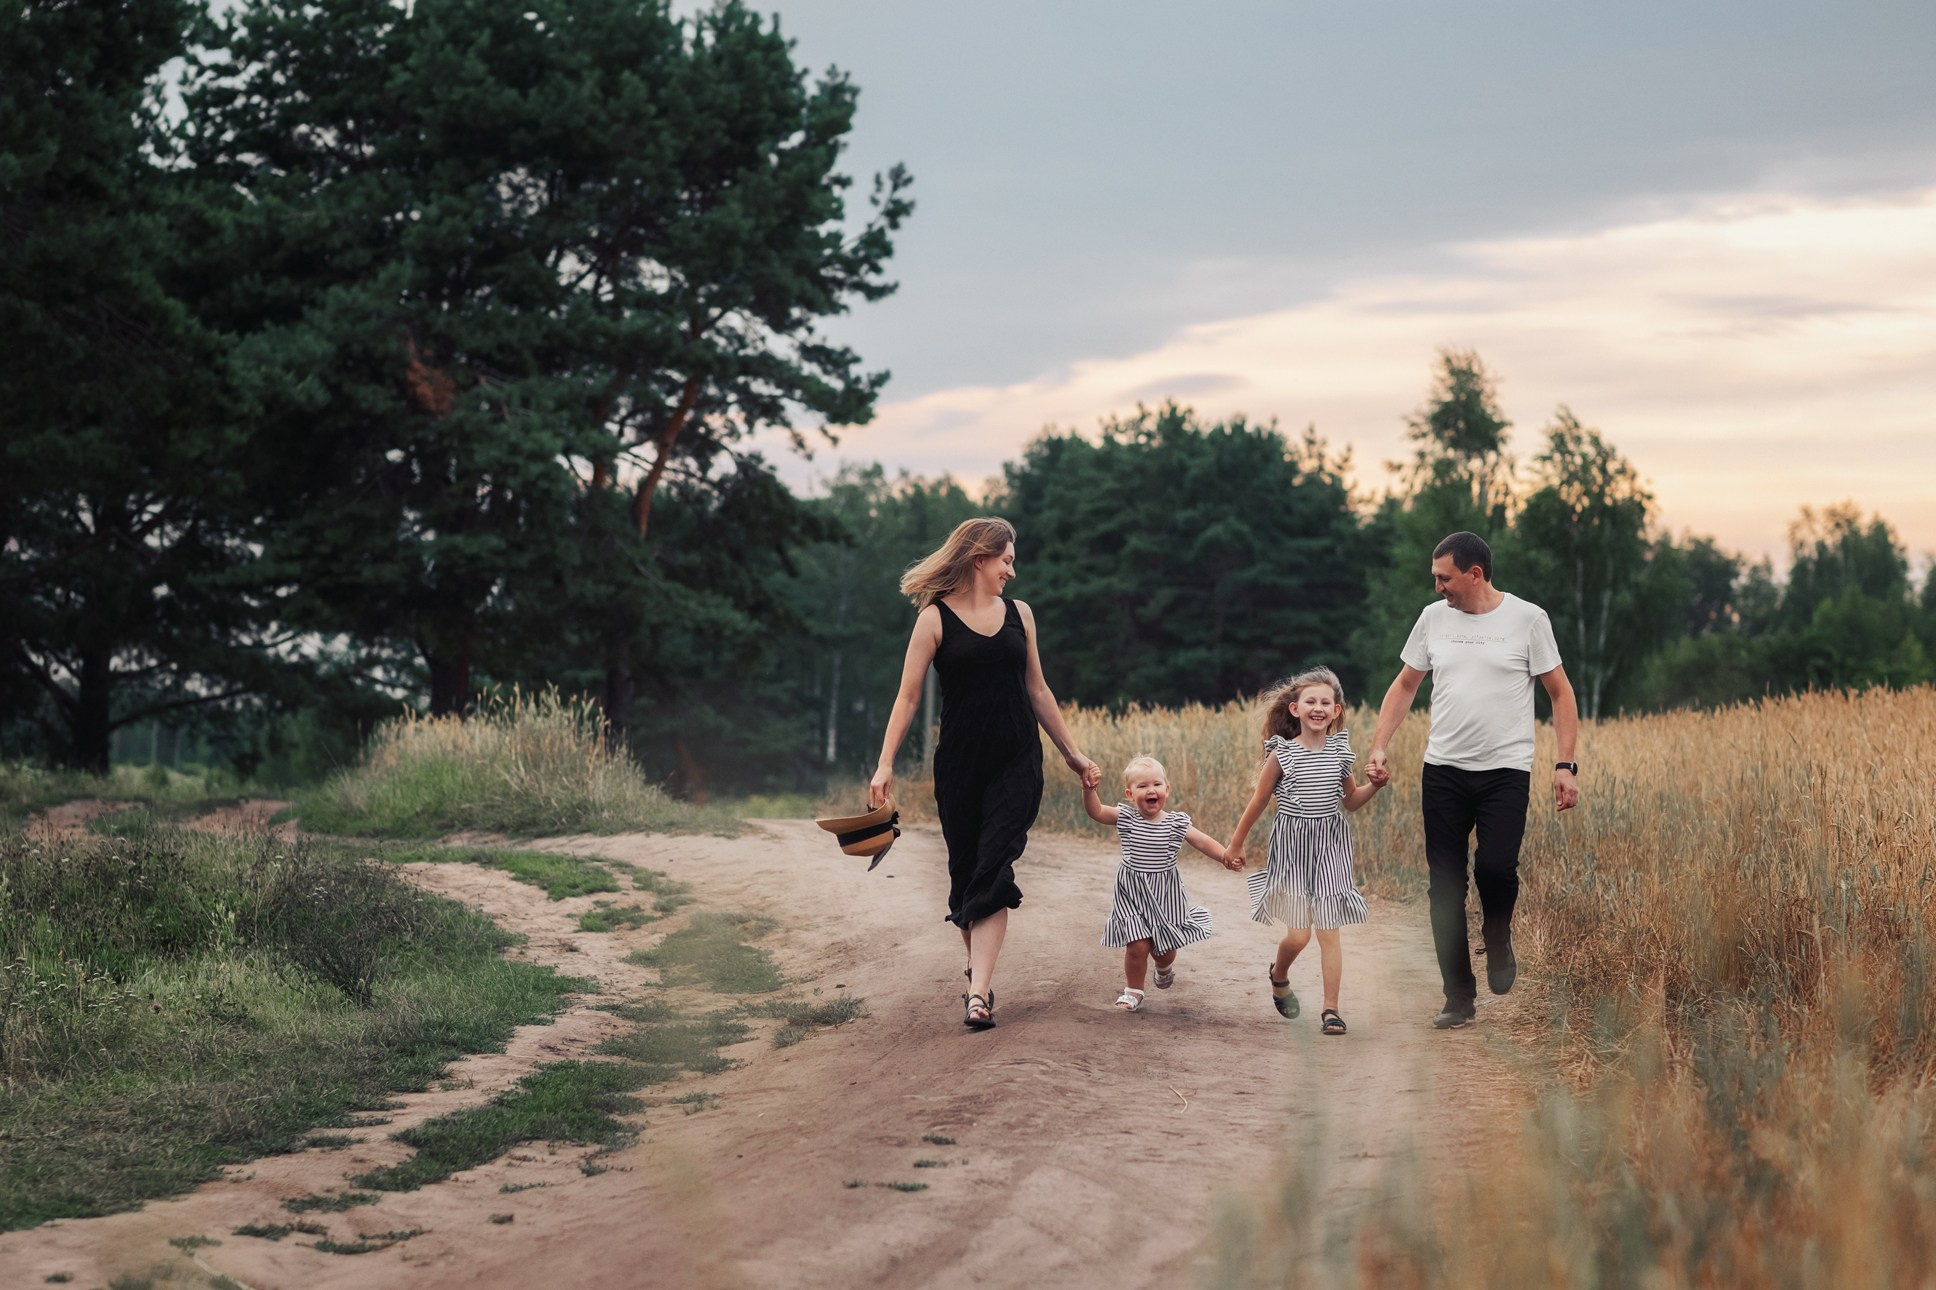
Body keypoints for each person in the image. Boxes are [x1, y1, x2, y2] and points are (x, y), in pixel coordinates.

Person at [870, 517, 1100, 1031]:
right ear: (980, 559)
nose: (1011, 572)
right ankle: (979, 976)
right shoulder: (934, 620)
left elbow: (1038, 690)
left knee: (995, 868)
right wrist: (885, 763)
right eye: (1006, 561)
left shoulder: (1021, 615)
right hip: (959, 765)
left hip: (1017, 759)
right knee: (967, 876)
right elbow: (907, 698)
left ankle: (977, 994)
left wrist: (1072, 753)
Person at [1364, 531, 1580, 1031]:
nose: (1438, 587)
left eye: (1444, 578)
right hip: (1443, 771)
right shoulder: (1432, 619)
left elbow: (1561, 694)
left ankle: (1499, 934)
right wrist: (1379, 745)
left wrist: (1564, 766)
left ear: (1474, 574)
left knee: (1497, 870)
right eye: (1435, 578)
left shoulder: (1528, 619)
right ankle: (1459, 997)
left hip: (1506, 771)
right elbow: (1405, 685)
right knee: (1444, 888)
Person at [1225, 667, 1387, 1036]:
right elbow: (1258, 801)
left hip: (1331, 844)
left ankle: (1331, 1009)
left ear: (1336, 711)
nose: (1318, 707)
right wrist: (1236, 843)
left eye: (1325, 703)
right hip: (1293, 845)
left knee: (1329, 930)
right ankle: (1279, 974)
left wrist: (1373, 786)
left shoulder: (1340, 752)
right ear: (1295, 709)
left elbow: (1351, 802)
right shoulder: (1282, 754)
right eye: (1310, 701)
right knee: (1298, 936)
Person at [1081, 756, 1237, 1013]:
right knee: (1138, 944)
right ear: (1130, 794)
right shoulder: (1127, 818)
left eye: (1156, 784)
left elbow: (1202, 841)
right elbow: (1096, 812)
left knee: (1164, 950)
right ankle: (1133, 992)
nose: (1151, 790)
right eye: (1142, 786)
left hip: (1165, 894)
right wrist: (1089, 790)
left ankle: (1164, 967)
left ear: (1167, 789)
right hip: (1132, 892)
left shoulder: (1176, 823)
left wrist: (1224, 856)